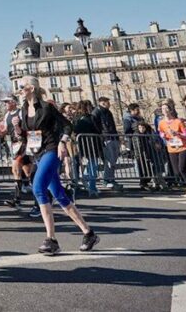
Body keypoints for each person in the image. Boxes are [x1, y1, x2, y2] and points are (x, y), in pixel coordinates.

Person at [18, 76, 97, 256]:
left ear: (31, 87)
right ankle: (88, 233)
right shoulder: (24, 109)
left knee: (38, 187)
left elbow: (67, 125)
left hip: (52, 149)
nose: (19, 89)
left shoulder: (47, 107)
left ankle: (51, 239)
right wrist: (17, 131)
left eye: (21, 86)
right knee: (59, 195)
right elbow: (27, 135)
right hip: (37, 152)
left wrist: (63, 141)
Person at [158, 100, 186, 197]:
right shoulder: (161, 123)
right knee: (177, 172)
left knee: (181, 169)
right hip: (171, 148)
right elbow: (160, 132)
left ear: (170, 110)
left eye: (166, 108)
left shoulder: (178, 121)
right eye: (163, 109)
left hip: (183, 147)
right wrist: (162, 135)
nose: (165, 111)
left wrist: (178, 134)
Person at [93, 97, 120, 189]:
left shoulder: (108, 112)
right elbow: (96, 126)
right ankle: (106, 179)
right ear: (102, 103)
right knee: (109, 160)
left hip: (112, 136)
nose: (109, 104)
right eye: (108, 102)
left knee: (113, 160)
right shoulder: (96, 112)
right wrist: (101, 137)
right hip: (106, 137)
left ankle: (111, 178)